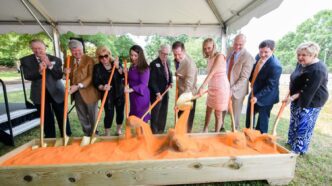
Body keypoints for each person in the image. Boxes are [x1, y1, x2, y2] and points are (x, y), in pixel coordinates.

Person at [284, 42, 329, 155]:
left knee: (304, 123)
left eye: (304, 55)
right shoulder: (301, 63)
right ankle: (291, 141)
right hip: (297, 96)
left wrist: (292, 97)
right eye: (299, 54)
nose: (300, 57)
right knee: (295, 119)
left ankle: (298, 149)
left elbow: (309, 89)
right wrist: (290, 94)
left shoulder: (318, 70)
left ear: (313, 55)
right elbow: (295, 78)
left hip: (313, 100)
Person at [20, 39, 71, 138]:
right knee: (46, 117)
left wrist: (50, 65)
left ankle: (66, 135)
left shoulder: (55, 59)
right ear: (31, 49)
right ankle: (50, 138)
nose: (37, 51)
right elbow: (27, 76)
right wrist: (39, 71)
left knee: (62, 115)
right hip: (39, 93)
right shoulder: (26, 60)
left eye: (40, 48)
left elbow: (58, 75)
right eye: (34, 48)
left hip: (57, 92)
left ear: (45, 48)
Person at [245, 40, 282, 133]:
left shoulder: (276, 66)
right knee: (250, 116)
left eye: (266, 52)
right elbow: (253, 71)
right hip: (254, 91)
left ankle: (260, 138)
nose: (262, 54)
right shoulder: (257, 57)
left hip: (267, 96)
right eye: (261, 51)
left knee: (262, 122)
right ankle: (248, 133)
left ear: (273, 50)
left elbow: (270, 86)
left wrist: (257, 97)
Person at [67, 39, 99, 136]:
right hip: (76, 94)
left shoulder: (90, 60)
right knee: (81, 116)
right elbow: (67, 75)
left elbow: (91, 76)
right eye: (73, 51)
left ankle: (94, 133)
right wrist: (65, 72)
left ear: (82, 49)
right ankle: (87, 133)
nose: (76, 53)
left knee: (92, 115)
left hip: (89, 93)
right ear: (71, 51)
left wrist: (78, 86)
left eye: (78, 50)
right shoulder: (69, 59)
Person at [198, 38, 230, 132]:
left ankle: (216, 134)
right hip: (212, 86)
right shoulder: (209, 58)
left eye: (209, 48)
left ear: (214, 46)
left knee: (218, 113)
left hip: (221, 87)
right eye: (205, 48)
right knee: (208, 109)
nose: (207, 50)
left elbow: (211, 73)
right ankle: (205, 129)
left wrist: (202, 87)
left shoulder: (220, 56)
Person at [93, 46, 124, 136]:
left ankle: (118, 130)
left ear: (109, 54)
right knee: (109, 114)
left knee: (120, 113)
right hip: (107, 95)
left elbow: (123, 76)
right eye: (101, 57)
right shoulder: (97, 67)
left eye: (106, 56)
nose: (104, 58)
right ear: (98, 58)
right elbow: (95, 82)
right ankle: (107, 134)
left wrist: (118, 67)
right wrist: (103, 87)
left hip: (119, 93)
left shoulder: (116, 63)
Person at [226, 34, 255, 130]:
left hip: (237, 91)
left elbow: (244, 78)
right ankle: (220, 129)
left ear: (244, 44)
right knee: (222, 109)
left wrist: (232, 89)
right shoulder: (229, 50)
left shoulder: (248, 57)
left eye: (240, 44)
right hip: (225, 86)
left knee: (235, 116)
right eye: (235, 43)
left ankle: (234, 133)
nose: (237, 46)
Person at [172, 41, 198, 133]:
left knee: (186, 122)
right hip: (181, 92)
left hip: (189, 95)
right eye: (175, 55)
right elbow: (181, 71)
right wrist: (178, 74)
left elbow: (188, 87)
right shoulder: (177, 60)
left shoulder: (190, 64)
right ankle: (178, 138)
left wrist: (179, 103)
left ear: (184, 51)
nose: (177, 57)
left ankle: (186, 142)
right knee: (179, 119)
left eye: (179, 54)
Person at [149, 44, 173, 134]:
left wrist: (170, 81)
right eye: (163, 53)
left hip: (165, 91)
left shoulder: (168, 62)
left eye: (167, 54)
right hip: (156, 93)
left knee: (164, 110)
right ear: (159, 52)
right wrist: (157, 92)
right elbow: (152, 80)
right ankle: (154, 131)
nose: (165, 56)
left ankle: (161, 130)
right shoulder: (153, 64)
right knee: (156, 112)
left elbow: (169, 73)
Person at [124, 45, 150, 122]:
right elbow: (129, 79)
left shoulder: (145, 67)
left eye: (135, 55)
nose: (133, 57)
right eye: (131, 55)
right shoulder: (132, 66)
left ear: (140, 56)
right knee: (134, 118)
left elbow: (144, 84)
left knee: (141, 119)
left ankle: (142, 134)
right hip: (133, 96)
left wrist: (130, 90)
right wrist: (125, 73)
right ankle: (136, 134)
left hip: (141, 96)